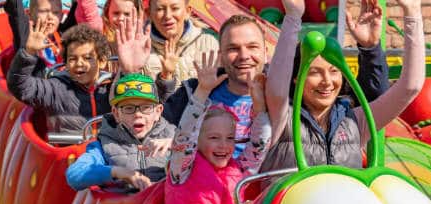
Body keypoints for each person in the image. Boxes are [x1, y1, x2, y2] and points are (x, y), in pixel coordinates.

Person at [160, 11, 388, 157]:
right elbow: (154, 130)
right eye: (233, 49)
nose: (243, 56)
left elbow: (369, 104)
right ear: (220, 54)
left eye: (252, 47)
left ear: (266, 51)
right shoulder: (195, 91)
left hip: (273, 203)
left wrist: (370, 50)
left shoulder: (292, 90)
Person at [258, 0, 424, 172]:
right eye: (315, 72)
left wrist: (412, 12)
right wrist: (293, 16)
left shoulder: (355, 121)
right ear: (296, 78)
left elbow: (410, 87)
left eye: (334, 71)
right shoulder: (282, 118)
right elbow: (277, 89)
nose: (327, 81)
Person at [164, 71, 271, 204]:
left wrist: (260, 108)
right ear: (197, 140)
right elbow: (185, 135)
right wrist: (202, 91)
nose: (223, 145)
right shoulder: (182, 169)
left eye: (230, 138)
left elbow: (259, 146)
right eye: (214, 138)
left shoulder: (240, 169)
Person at [66, 73, 175, 191]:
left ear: (158, 112)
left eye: (146, 108)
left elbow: (196, 167)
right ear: (116, 113)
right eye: (128, 108)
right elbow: (74, 174)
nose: (138, 114)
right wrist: (117, 172)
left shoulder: (175, 136)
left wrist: (177, 145)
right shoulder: (105, 143)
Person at [7, 23, 115, 135]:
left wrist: (128, 68)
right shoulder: (57, 88)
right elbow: (21, 87)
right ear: (66, 64)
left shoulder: (111, 86)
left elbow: (132, 100)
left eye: (87, 58)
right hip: (71, 150)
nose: (79, 63)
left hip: (106, 149)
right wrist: (28, 53)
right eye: (72, 59)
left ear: (102, 62)